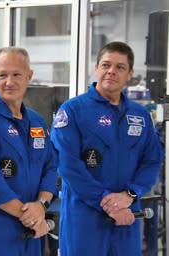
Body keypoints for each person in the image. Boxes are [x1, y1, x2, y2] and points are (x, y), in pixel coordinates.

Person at [51, 41, 164, 256]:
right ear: (96, 68)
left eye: (120, 67)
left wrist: (130, 195)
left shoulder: (139, 115)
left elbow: (152, 160)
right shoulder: (74, 111)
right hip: (85, 220)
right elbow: (67, 165)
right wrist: (109, 204)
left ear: (130, 74)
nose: (111, 71)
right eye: (106, 65)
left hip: (126, 219)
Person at [0, 47, 59, 256]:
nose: (9, 82)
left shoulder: (36, 121)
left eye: (16, 74)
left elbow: (50, 167)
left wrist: (41, 206)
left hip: (31, 227)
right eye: (3, 75)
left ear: (29, 76)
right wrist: (33, 218)